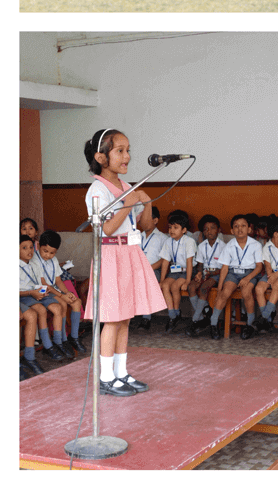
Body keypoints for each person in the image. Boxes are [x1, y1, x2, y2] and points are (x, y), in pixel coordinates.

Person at [83, 128, 166, 395]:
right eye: (120, 150)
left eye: (128, 150)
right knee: (112, 318)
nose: (127, 156)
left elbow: (141, 225)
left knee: (126, 317)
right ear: (101, 157)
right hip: (110, 254)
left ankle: (121, 373)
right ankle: (106, 378)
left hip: (130, 253)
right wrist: (130, 201)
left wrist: (147, 203)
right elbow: (106, 229)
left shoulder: (127, 187)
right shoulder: (97, 190)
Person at [208, 214, 263, 340]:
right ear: (232, 231)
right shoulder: (230, 245)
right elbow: (225, 268)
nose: (240, 229)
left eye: (243, 226)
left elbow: (259, 267)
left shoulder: (256, 245)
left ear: (249, 229)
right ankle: (213, 323)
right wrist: (220, 288)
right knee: (225, 293)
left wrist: (247, 278)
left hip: (249, 273)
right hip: (233, 274)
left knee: (246, 291)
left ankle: (250, 325)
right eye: (236, 226)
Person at [30, 229, 86, 355]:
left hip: (54, 289)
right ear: (38, 246)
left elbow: (58, 280)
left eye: (52, 253)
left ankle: (74, 337)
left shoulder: (53, 260)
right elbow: (44, 284)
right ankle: (60, 340)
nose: (48, 255)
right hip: (43, 291)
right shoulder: (35, 260)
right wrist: (61, 295)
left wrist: (67, 293)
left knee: (76, 302)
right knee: (62, 303)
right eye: (45, 251)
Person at [19, 234, 67, 366]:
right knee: (39, 310)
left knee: (58, 307)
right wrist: (32, 292)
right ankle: (47, 346)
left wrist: (43, 290)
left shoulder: (34, 264)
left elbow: (40, 283)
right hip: (24, 296)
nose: (29, 251)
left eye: (30, 247)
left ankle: (57, 343)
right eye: (24, 248)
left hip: (36, 293)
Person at [159, 210, 197, 333]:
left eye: (176, 227)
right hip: (174, 271)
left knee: (175, 287)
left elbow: (190, 263)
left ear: (184, 230)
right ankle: (172, 314)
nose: (172, 230)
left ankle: (176, 312)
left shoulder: (189, 241)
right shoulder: (168, 241)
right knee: (165, 285)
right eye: (170, 227)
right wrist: (162, 279)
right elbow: (165, 262)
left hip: (187, 271)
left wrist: (187, 280)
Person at [185, 215, 225, 336]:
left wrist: (211, 273)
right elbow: (200, 264)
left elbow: (224, 268)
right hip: (205, 273)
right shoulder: (202, 246)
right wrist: (199, 274)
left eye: (212, 228)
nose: (209, 231)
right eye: (206, 229)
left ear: (219, 230)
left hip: (217, 274)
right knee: (191, 286)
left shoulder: (223, 246)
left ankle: (195, 319)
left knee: (204, 287)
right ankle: (205, 312)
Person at [254, 217, 278, 332]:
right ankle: (268, 319)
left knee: (277, 285)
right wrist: (271, 276)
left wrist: (277, 275)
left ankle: (263, 318)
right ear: (276, 234)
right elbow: (267, 266)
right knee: (259, 288)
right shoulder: (266, 247)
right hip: (271, 274)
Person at [134, 206, 168, 331]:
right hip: (136, 270)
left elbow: (163, 259)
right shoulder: (137, 236)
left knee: (147, 280)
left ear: (155, 220)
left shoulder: (163, 238)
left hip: (154, 270)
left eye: (147, 219)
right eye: (141, 219)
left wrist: (147, 269)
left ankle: (146, 318)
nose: (143, 222)